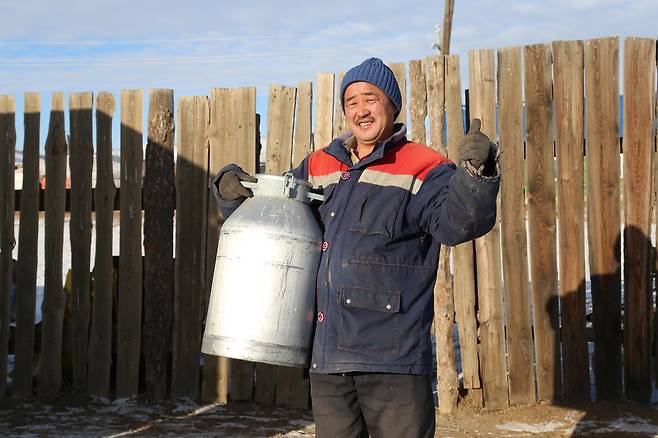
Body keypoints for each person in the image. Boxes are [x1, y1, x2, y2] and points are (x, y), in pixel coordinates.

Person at [213, 57, 500, 438]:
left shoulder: (423, 167)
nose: (361, 111)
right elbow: (274, 209)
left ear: (392, 105)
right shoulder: (319, 165)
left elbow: (458, 224)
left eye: (370, 98)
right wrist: (229, 189)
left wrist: (476, 176)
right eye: (351, 101)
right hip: (329, 357)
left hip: (392, 359)